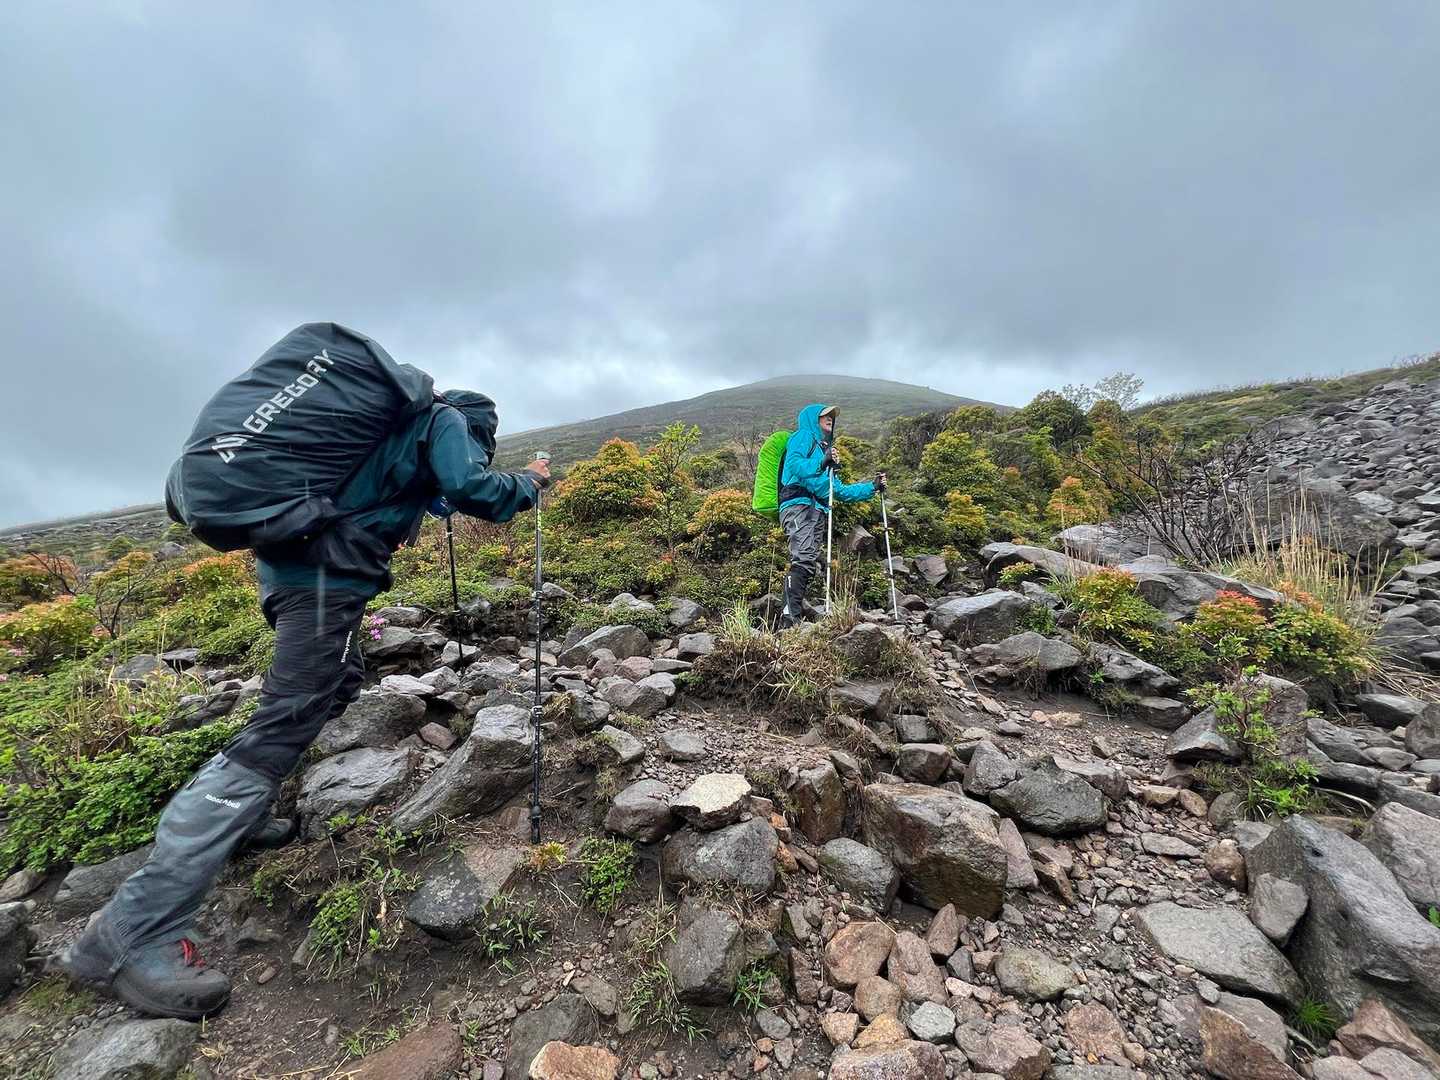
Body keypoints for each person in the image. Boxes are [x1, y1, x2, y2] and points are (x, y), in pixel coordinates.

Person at [57, 389, 549, 1020]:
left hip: (295, 575)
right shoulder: (447, 420)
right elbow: (470, 487)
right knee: (280, 727)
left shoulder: (387, 434)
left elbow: (434, 494)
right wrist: (528, 483)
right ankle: (134, 926)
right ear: (480, 429)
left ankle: (240, 814)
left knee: (337, 682)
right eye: (483, 443)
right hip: (324, 584)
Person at [778, 403, 885, 628]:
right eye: (825, 415)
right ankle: (788, 620)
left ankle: (793, 617)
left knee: (807, 560)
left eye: (832, 416)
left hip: (817, 510)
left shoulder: (825, 450)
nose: (830, 418)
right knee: (803, 558)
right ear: (813, 419)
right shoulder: (802, 436)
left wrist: (872, 487)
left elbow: (838, 490)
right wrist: (821, 462)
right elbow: (795, 464)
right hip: (798, 505)